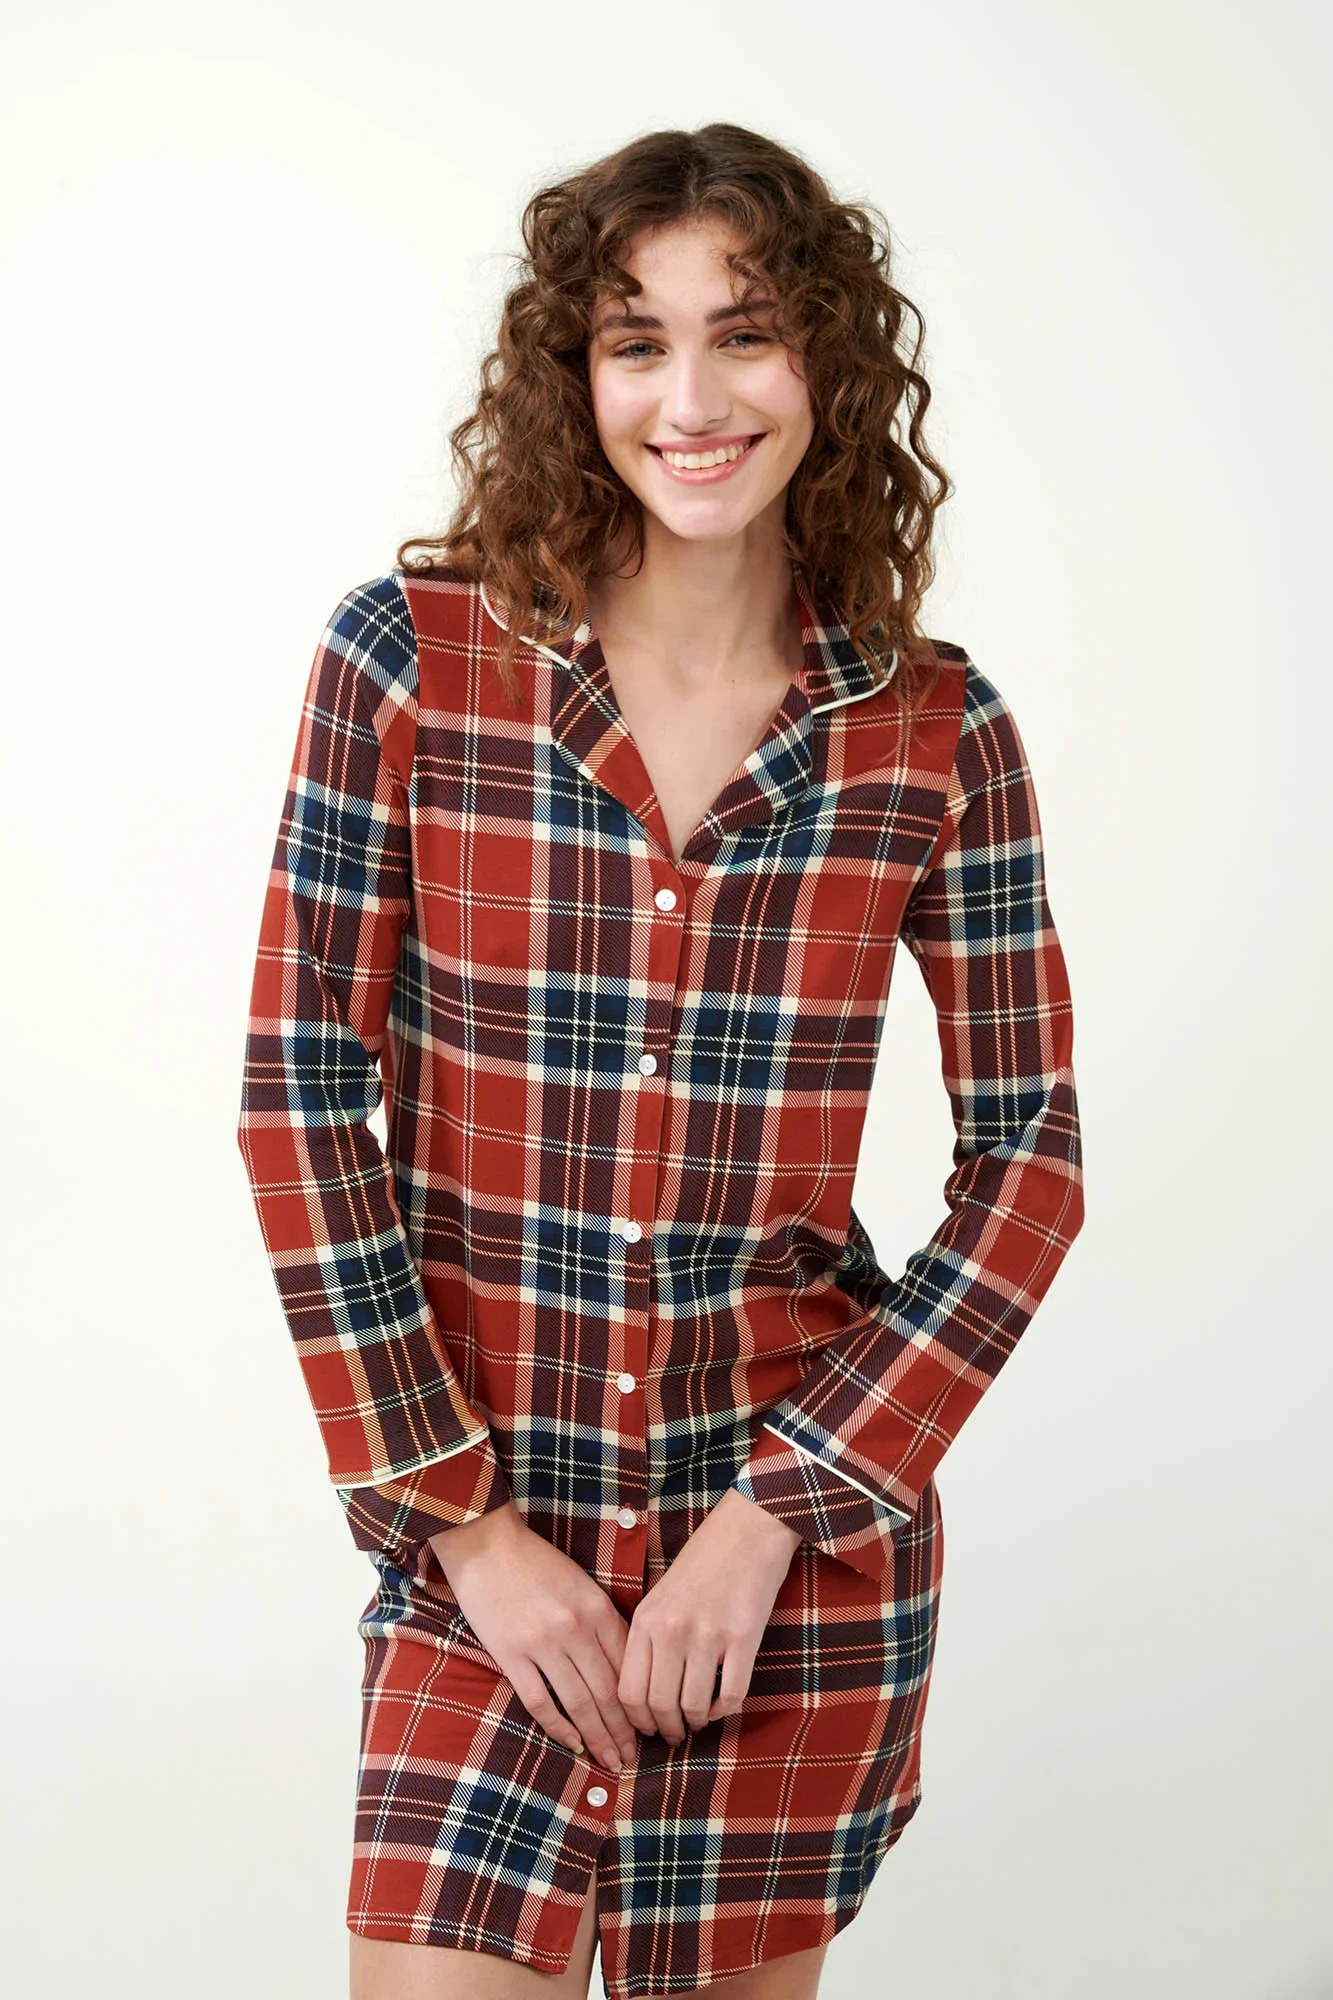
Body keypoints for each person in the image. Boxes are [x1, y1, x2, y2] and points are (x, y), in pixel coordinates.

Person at [236, 122, 1085, 2000]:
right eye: (639, 343)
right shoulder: (414, 662)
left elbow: (1030, 1159)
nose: (693, 401)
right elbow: (299, 1105)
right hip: (486, 1550)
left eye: (746, 334)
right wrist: (462, 1527)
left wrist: (791, 1507)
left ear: (827, 368)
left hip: (778, 1581)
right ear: (578, 378)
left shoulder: (931, 732)